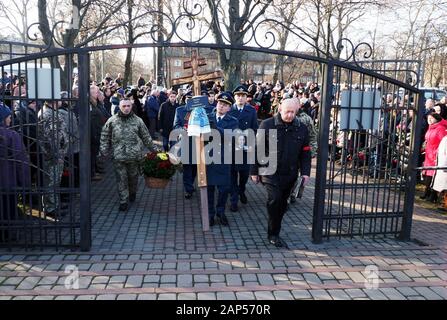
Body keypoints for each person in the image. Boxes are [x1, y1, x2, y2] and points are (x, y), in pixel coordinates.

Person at [250, 98, 311, 248]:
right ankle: (273, 234)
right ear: (280, 110)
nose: (290, 115)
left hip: (289, 173)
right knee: (275, 200)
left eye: (292, 112)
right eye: (287, 112)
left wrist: (305, 173)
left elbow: (305, 153)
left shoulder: (302, 128)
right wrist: (254, 171)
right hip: (269, 171)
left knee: (282, 204)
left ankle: (275, 222)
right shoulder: (267, 124)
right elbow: (256, 149)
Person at [99, 98, 160, 212]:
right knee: (121, 179)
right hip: (119, 157)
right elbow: (104, 136)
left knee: (133, 178)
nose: (126, 108)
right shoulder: (112, 121)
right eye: (124, 106)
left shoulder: (138, 121)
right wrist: (103, 151)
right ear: (120, 107)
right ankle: (123, 201)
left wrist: (155, 150)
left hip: (134, 157)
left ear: (131, 107)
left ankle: (132, 193)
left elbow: (146, 137)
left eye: (128, 106)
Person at [206, 92, 238, 226]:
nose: (221, 106)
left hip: (224, 159)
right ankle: (210, 214)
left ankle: (220, 211)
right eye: (220, 103)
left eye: (225, 105)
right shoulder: (207, 117)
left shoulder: (233, 121)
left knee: (224, 189)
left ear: (229, 108)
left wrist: (217, 129)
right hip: (208, 158)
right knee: (209, 189)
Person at [0, 102, 30, 242]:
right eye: (8, 117)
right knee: (9, 210)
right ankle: (8, 235)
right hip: (8, 183)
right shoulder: (11, 135)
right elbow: (21, 162)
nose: (10, 119)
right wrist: (25, 183)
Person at [228, 85, 258, 212]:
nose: (240, 98)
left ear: (247, 98)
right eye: (238, 95)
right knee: (232, 174)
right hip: (232, 148)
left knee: (245, 173)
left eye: (243, 96)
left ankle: (241, 190)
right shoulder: (229, 110)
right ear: (235, 97)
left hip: (245, 148)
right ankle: (234, 200)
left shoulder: (251, 111)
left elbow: (254, 129)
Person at [38, 100, 69, 218]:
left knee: (55, 180)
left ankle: (55, 204)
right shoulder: (48, 114)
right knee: (51, 181)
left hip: (56, 154)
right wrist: (57, 154)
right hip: (53, 155)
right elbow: (51, 137)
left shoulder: (51, 112)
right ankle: (50, 208)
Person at [173, 91, 197, 199]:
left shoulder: (200, 111)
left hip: (198, 142)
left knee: (195, 168)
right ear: (184, 99)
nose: (189, 100)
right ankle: (188, 189)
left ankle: (190, 183)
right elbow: (176, 125)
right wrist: (181, 130)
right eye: (187, 98)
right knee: (187, 167)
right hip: (185, 142)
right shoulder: (179, 110)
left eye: (191, 98)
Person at [421, 111, 447, 202]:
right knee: (428, 174)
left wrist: (437, 152)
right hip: (428, 153)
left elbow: (443, 142)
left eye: (431, 118)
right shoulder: (430, 127)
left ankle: (433, 195)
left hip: (436, 154)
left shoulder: (440, 128)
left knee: (434, 175)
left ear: (437, 118)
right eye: (428, 118)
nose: (429, 120)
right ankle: (427, 192)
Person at [432, 133, 447, 212]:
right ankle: (444, 204)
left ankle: (445, 205)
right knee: (444, 187)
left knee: (445, 186)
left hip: (444, 166)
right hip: (443, 165)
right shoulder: (445, 138)